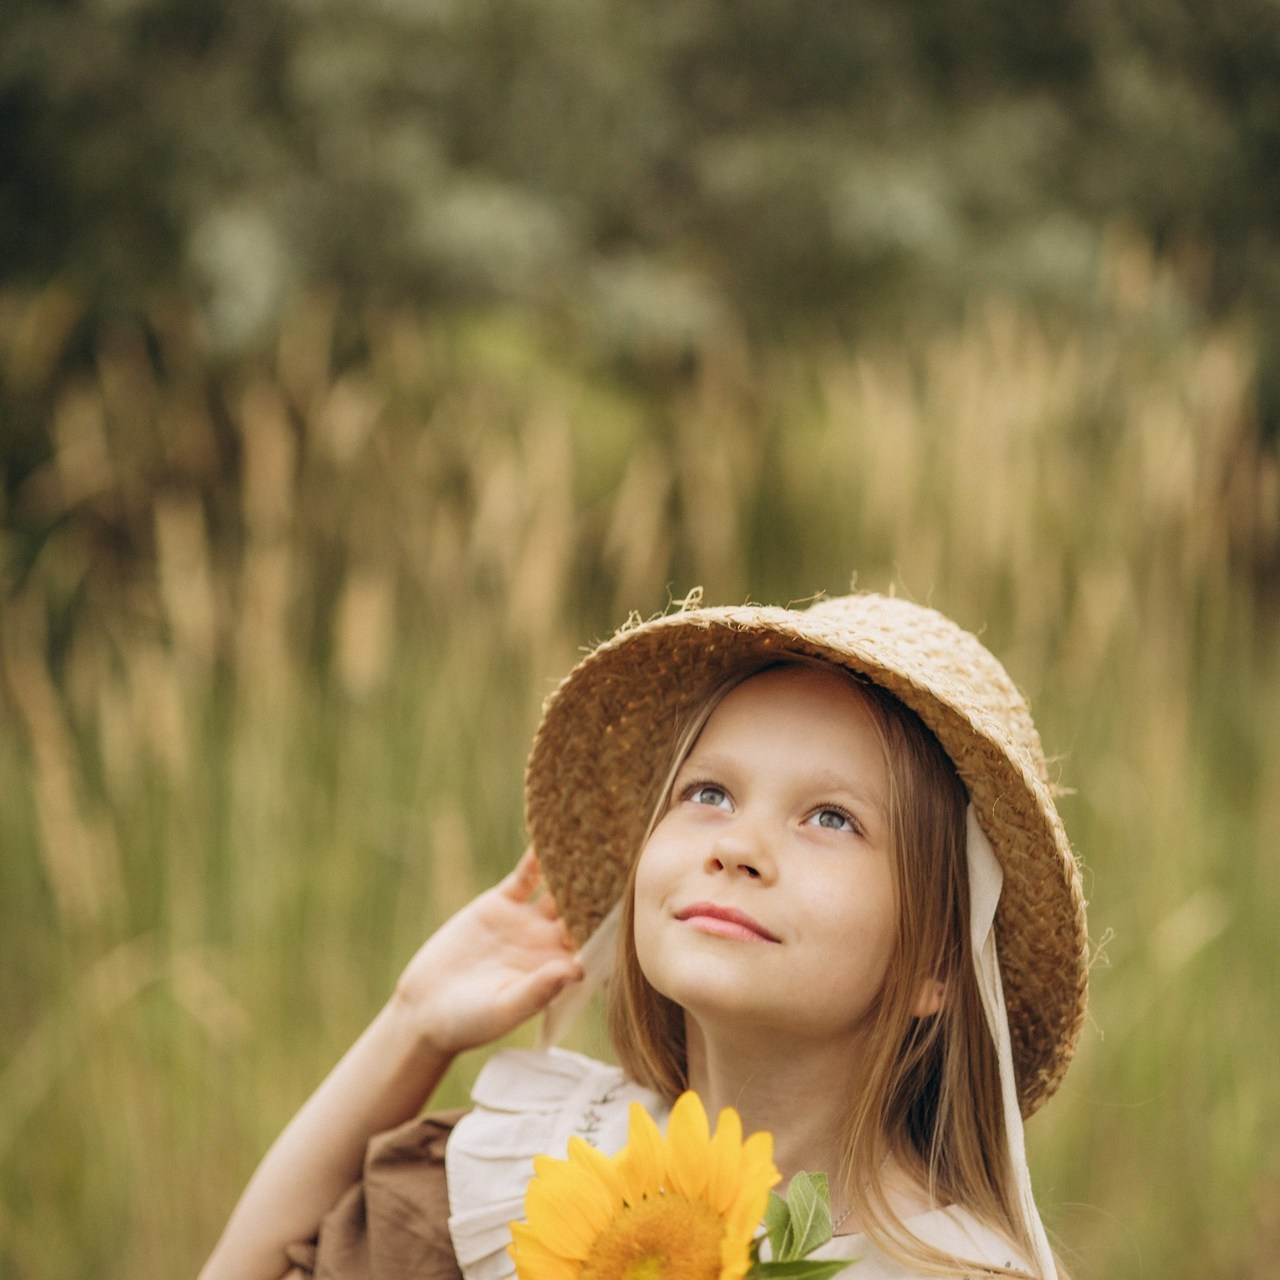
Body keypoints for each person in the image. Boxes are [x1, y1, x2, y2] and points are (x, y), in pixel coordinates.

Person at [200, 591, 1089, 1280]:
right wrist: (411, 1024)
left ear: (938, 961)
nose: (738, 847)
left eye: (829, 817)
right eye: (708, 794)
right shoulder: (532, 1170)